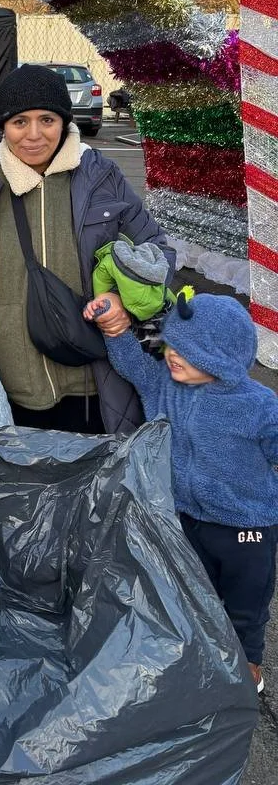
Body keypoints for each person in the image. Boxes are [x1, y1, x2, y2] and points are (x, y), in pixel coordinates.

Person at [0, 64, 173, 436]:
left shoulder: (102, 177)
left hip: (93, 381)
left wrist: (120, 300)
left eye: (47, 120)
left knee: (87, 488)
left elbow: (156, 250)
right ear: (3, 126)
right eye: (20, 121)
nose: (34, 135)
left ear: (64, 122)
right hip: (3, 381)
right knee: (11, 489)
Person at [84, 290, 278, 694]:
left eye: (187, 351)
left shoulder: (260, 406)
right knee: (191, 591)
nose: (172, 354)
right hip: (186, 517)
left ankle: (247, 667)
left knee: (245, 604)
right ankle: (198, 654)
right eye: (172, 343)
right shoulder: (165, 387)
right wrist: (114, 328)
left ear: (220, 358)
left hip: (247, 528)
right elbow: (133, 365)